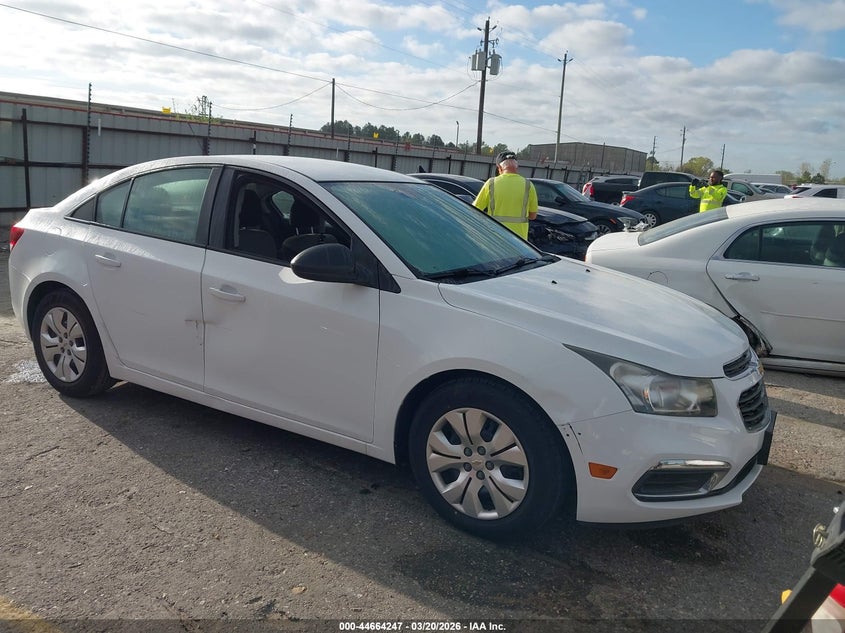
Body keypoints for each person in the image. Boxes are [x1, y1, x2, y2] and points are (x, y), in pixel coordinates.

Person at [472, 151, 538, 239]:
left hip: (495, 237)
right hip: (520, 240)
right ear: (517, 166)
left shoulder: (491, 183)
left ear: (499, 167)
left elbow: (475, 210)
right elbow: (533, 216)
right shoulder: (528, 185)